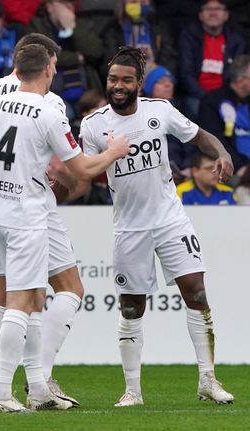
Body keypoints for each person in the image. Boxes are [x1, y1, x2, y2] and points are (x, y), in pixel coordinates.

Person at [0, 40, 129, 413]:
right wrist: (113, 152)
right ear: (48, 68)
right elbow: (79, 170)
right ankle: (2, 390)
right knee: (26, 300)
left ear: (17, 65)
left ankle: (31, 386)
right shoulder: (49, 109)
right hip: (27, 215)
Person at [79, 46, 234, 407]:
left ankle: (208, 379)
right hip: (130, 228)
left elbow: (199, 136)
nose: (118, 86)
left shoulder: (159, 111)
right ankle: (132, 390)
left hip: (170, 220)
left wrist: (222, 152)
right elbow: (85, 173)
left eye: (125, 80)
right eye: (113, 79)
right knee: (132, 308)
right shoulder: (93, 125)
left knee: (196, 291)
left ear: (139, 83)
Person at [28, 0, 104, 120]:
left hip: (85, 89)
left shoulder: (80, 24)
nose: (69, 7)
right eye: (64, 3)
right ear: (50, 7)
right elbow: (42, 55)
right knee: (65, 115)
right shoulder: (36, 25)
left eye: (71, 4)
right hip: (53, 91)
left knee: (99, 114)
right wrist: (78, 57)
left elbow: (95, 52)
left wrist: (73, 28)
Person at [178, 0, 246, 120]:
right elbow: (186, 74)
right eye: (208, 9)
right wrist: (206, 97)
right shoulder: (189, 36)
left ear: (226, 15)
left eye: (218, 9)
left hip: (226, 95)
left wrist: (219, 97)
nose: (213, 13)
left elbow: (236, 76)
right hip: (197, 95)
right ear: (201, 15)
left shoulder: (236, 40)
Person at [198, 54, 250, 184]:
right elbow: (214, 140)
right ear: (240, 80)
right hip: (235, 170)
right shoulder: (212, 102)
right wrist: (240, 167)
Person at [143, 65, 196, 183]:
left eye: (170, 81)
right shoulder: (140, 112)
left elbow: (191, 144)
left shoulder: (181, 111)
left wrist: (188, 167)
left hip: (180, 172)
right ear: (150, 87)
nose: (168, 85)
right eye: (161, 82)